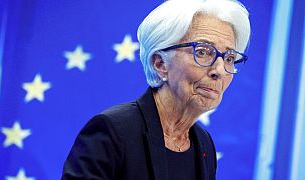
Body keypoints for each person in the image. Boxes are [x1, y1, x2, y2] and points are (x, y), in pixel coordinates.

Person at [62, 0, 251, 179]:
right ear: (160, 64)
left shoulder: (204, 144)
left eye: (229, 58)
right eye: (202, 52)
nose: (219, 70)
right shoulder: (113, 131)